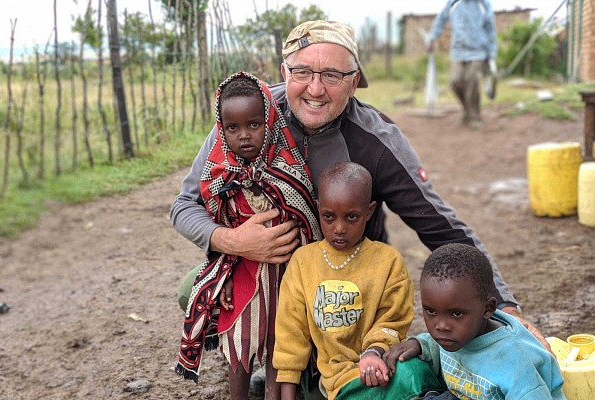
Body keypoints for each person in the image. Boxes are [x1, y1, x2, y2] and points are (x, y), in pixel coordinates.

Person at [170, 19, 548, 395]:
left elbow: (439, 225)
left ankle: (319, 367)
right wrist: (232, 241)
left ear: (355, 81)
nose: (315, 89)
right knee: (196, 288)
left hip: (346, 282)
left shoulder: (376, 140)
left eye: (333, 75)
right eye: (302, 72)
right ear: (285, 72)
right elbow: (184, 204)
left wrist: (507, 308)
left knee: (350, 363)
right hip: (269, 268)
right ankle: (272, 357)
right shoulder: (249, 114)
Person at [174, 71, 322, 400]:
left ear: (268, 121)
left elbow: (308, 217)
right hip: (240, 272)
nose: (243, 136)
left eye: (253, 125)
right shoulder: (219, 172)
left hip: (287, 274)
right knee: (238, 343)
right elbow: (208, 216)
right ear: (221, 128)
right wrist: (224, 266)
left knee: (278, 343)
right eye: (232, 128)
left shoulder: (288, 164)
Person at [273, 161, 442, 400]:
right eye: (328, 217)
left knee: (415, 373)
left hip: (385, 364)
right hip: (338, 378)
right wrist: (288, 393)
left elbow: (393, 319)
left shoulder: (387, 261)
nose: (339, 228)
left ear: (369, 212)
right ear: (318, 208)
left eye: (351, 217)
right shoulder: (303, 263)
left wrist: (373, 353)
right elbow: (291, 331)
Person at [383, 243, 566, 399]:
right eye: (430, 311)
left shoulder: (516, 364)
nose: (441, 326)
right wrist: (420, 344)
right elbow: (438, 345)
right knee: (406, 368)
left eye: (455, 314)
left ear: (488, 309)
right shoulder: (459, 333)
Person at [426, 0, 497, 128]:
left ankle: (475, 116)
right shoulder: (453, 3)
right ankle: (467, 109)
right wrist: (432, 38)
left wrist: (491, 52)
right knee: (455, 81)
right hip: (457, 51)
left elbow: (490, 29)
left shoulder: (483, 4)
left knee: (471, 80)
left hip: (478, 51)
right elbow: (441, 19)